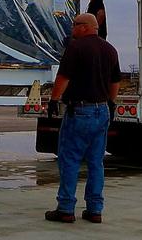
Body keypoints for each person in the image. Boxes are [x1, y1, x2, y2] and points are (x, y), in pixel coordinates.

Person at [45, 12, 120, 224]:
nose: (72, 29)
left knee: (70, 160)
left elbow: (63, 77)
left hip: (79, 111)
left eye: (75, 25)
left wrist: (54, 99)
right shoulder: (110, 49)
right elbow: (115, 81)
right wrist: (111, 103)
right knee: (96, 162)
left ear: (85, 27)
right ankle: (95, 209)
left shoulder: (75, 48)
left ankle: (66, 208)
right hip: (102, 110)